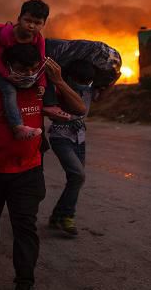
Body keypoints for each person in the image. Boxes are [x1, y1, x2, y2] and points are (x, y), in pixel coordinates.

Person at [0, 44, 86, 290]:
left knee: (25, 228)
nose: (29, 74)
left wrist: (59, 80)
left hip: (27, 173)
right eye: (22, 69)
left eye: (34, 68)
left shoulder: (42, 87)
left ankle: (25, 281)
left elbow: (79, 109)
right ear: (7, 66)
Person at [0, 0, 70, 141]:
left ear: (43, 24)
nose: (31, 26)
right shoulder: (6, 35)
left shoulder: (38, 39)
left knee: (49, 67)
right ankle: (17, 127)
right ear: (19, 19)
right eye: (28, 20)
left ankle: (49, 105)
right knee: (9, 90)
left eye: (37, 23)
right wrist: (7, 75)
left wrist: (41, 84)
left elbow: (41, 62)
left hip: (17, 64)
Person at [47, 60, 95, 236]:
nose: (83, 84)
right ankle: (67, 216)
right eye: (79, 81)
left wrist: (113, 79)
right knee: (78, 175)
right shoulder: (59, 89)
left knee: (75, 179)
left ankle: (57, 216)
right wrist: (60, 81)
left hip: (80, 138)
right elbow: (78, 109)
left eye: (86, 81)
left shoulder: (88, 89)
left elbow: (100, 96)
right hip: (61, 137)